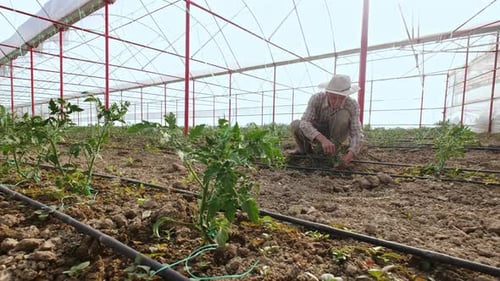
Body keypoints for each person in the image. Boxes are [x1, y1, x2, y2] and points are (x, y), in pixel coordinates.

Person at [289, 74, 363, 167]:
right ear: (327, 93)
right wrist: (323, 140)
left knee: (343, 115)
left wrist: (351, 153)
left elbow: (356, 132)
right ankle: (305, 151)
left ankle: (333, 151)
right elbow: (305, 122)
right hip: (317, 132)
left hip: (336, 133)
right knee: (296, 124)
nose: (337, 102)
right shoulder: (317, 98)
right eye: (333, 98)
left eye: (341, 98)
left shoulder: (352, 104)